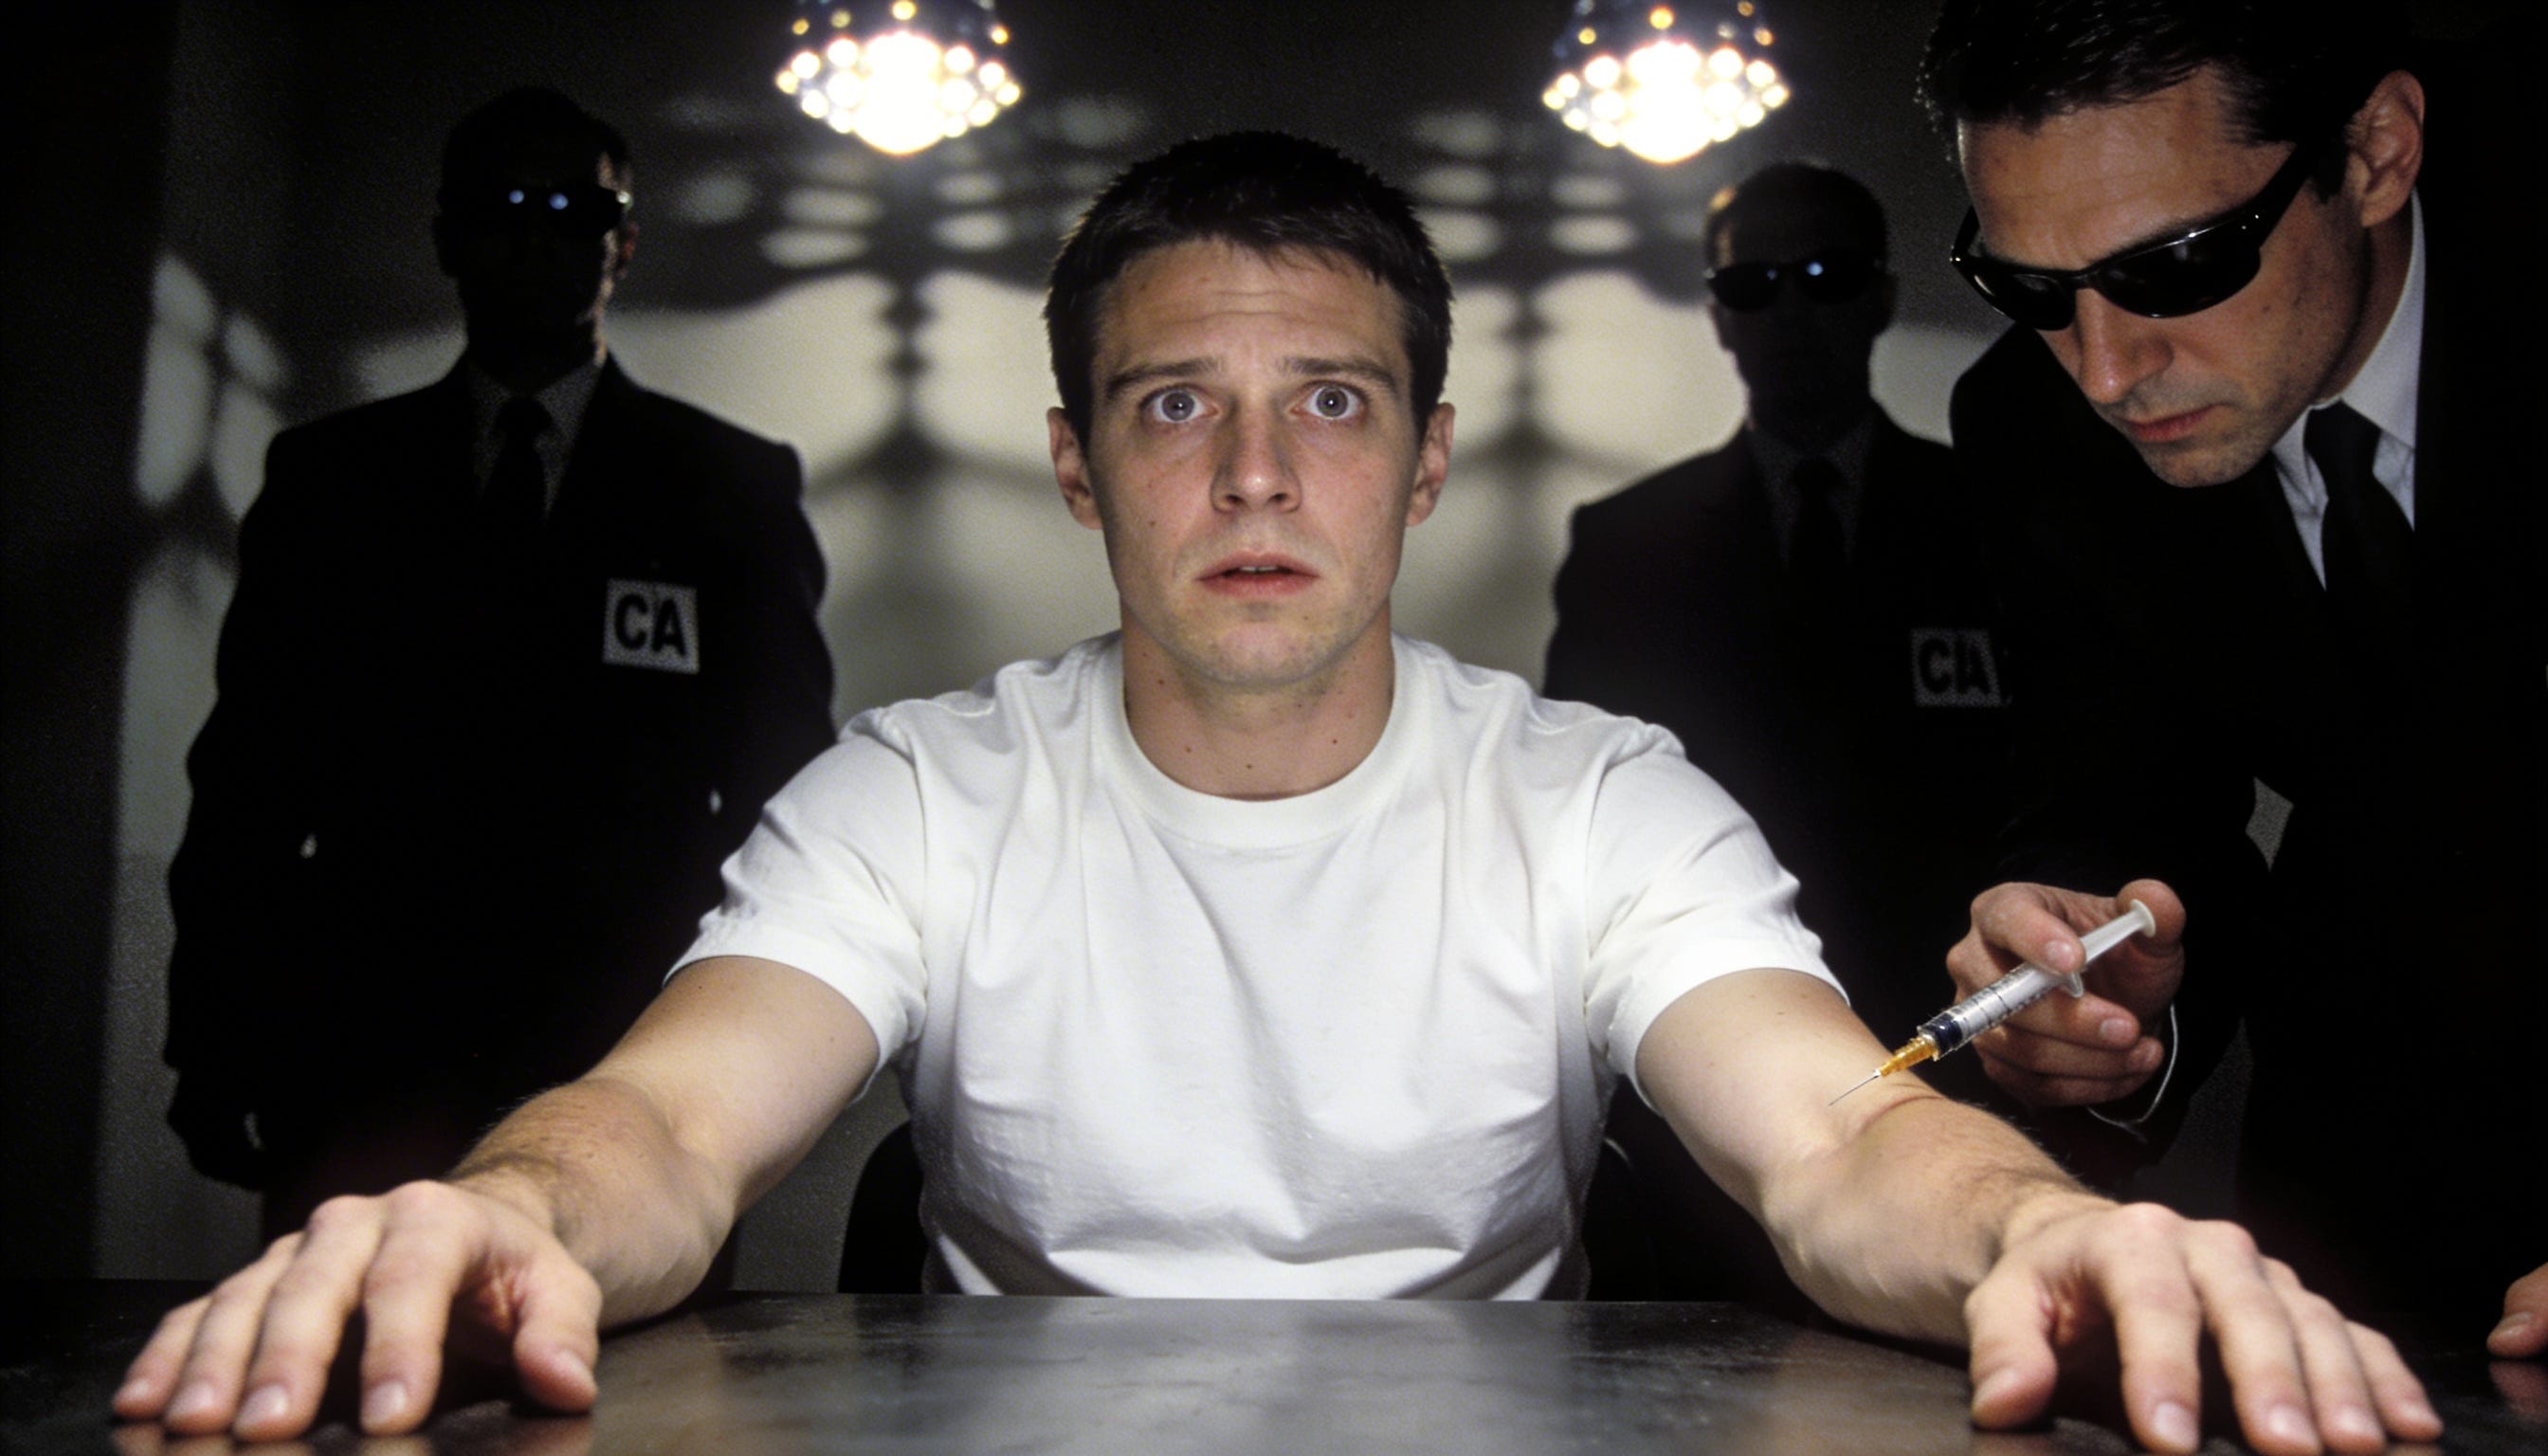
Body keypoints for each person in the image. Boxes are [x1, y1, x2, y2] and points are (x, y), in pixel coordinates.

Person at [119, 132, 2436, 1456]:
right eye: (1173, 408)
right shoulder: (924, 789)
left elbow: (1834, 1138)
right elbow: (667, 1123)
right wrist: (504, 1209)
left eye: (1330, 404)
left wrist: (2042, 1230)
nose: (1252, 475)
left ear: (1425, 463)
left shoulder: (1599, 798)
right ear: (1075, 464)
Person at [1918, 0, 2544, 1352]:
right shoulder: (2030, 428)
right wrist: (2092, 979)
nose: (2106, 372)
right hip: (2375, 1174)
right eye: (2032, 291)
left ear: (2375, 152)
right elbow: (2120, 796)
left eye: (2179, 265)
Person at [161, 87, 836, 1239]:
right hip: (366, 1043)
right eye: (502, 205)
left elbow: (785, 795)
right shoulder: (330, 480)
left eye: (576, 209)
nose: (538, 236)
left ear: (624, 240)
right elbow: (248, 788)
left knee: (629, 1353)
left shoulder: (729, 484)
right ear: (448, 237)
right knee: (348, 1331)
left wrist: (756, 1054)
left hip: (628, 1058)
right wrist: (215, 1039)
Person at [1544, 164, 2011, 1311]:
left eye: (1825, 276)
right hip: (1701, 1097)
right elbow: (1570, 826)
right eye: (1754, 285)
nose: (1791, 312)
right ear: (1717, 313)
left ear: (1880, 295)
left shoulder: (2001, 521)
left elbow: (2065, 790)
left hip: (1965, 1064)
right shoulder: (1626, 548)